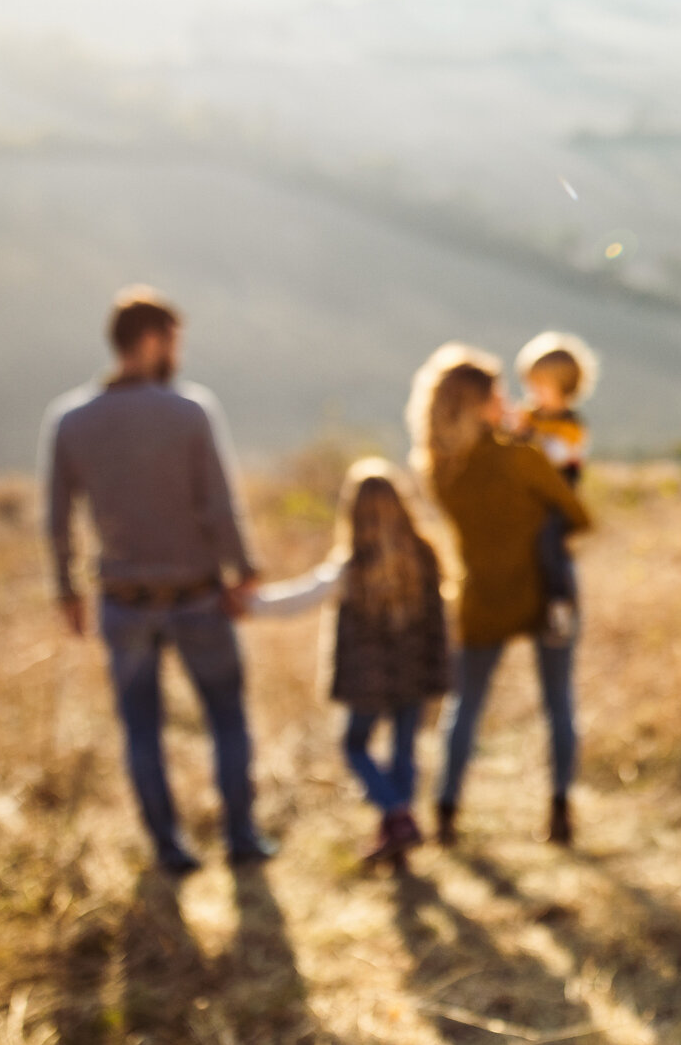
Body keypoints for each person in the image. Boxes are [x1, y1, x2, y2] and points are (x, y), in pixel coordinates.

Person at [41, 285, 275, 874]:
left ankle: (169, 848)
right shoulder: (189, 410)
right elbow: (219, 505)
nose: (178, 355)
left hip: (121, 601)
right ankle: (241, 837)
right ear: (151, 341)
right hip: (196, 594)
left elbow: (56, 515)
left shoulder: (70, 419)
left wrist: (66, 590)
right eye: (174, 341)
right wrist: (243, 570)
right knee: (226, 717)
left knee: (140, 728)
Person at [408, 343, 593, 847]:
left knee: (464, 705)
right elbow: (578, 514)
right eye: (498, 393)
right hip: (546, 589)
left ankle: (445, 811)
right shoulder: (520, 459)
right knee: (558, 701)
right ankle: (559, 809)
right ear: (480, 403)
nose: (508, 398)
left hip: (482, 593)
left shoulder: (439, 470)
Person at [253, 459, 452, 865]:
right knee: (403, 751)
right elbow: (440, 621)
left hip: (368, 681)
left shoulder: (352, 565)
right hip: (414, 673)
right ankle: (397, 826)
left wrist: (250, 604)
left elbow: (301, 598)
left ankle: (396, 816)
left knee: (354, 745)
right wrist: (439, 669)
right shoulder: (424, 555)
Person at [511, 331, 600, 646]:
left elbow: (557, 456)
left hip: (557, 503)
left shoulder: (572, 425)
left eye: (540, 385)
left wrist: (528, 436)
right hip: (529, 501)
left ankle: (559, 605)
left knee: (549, 544)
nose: (532, 392)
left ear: (564, 387)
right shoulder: (530, 417)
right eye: (529, 384)